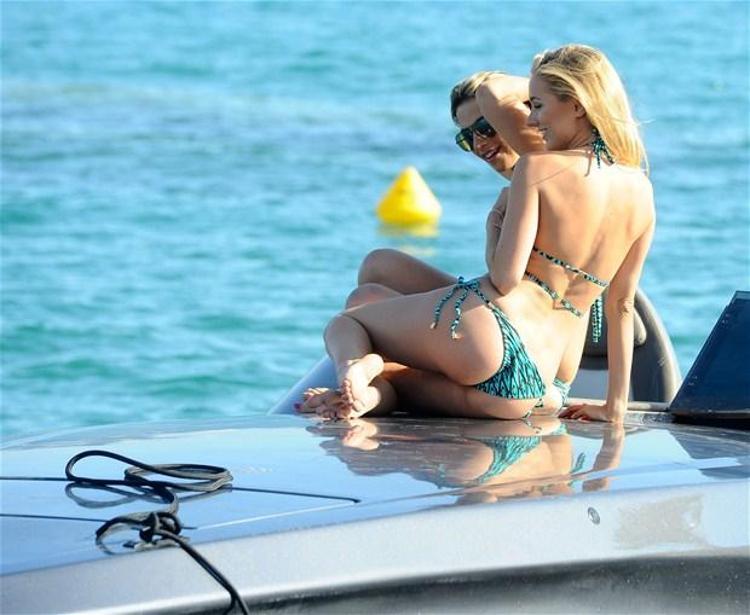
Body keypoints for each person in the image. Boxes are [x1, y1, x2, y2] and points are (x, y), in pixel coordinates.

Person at [313, 44, 654, 423]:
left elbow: (504, 279)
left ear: (576, 104)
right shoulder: (641, 189)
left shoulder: (538, 167)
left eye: (538, 105)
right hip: (541, 385)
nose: (532, 120)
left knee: (350, 320)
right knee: (402, 381)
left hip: (494, 332)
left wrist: (493, 227)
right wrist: (614, 407)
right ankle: (367, 391)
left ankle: (359, 367)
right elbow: (621, 305)